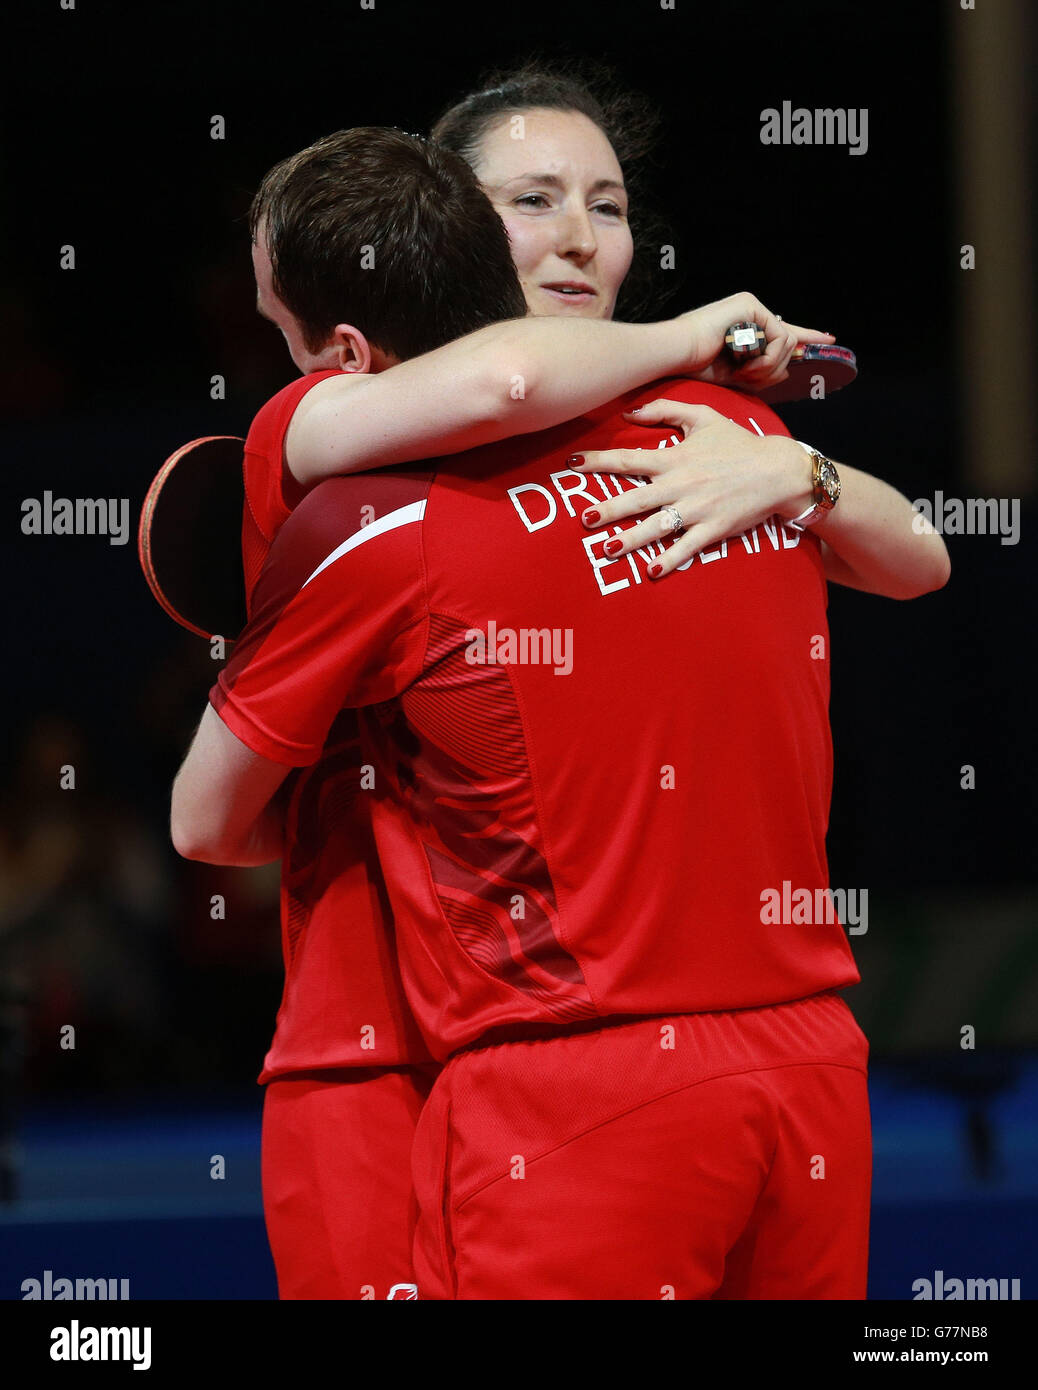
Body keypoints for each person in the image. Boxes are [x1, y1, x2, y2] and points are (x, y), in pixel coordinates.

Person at [171, 84, 949, 1298]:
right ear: (447, 231)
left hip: (589, 1060)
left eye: (608, 203)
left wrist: (797, 464)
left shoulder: (716, 435)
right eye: (533, 201)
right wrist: (706, 334)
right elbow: (507, 383)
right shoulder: (345, 442)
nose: (582, 234)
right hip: (379, 1056)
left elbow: (922, 557)